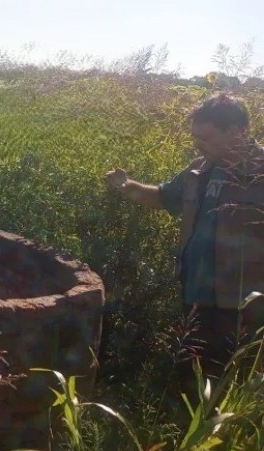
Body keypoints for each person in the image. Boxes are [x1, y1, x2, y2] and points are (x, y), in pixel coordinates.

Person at [104, 93, 264, 379]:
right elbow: (164, 197)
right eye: (195, 138)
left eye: (206, 138)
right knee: (192, 377)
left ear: (238, 131)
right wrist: (127, 186)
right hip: (197, 296)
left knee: (238, 380)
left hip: (245, 307)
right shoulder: (199, 171)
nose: (198, 145)